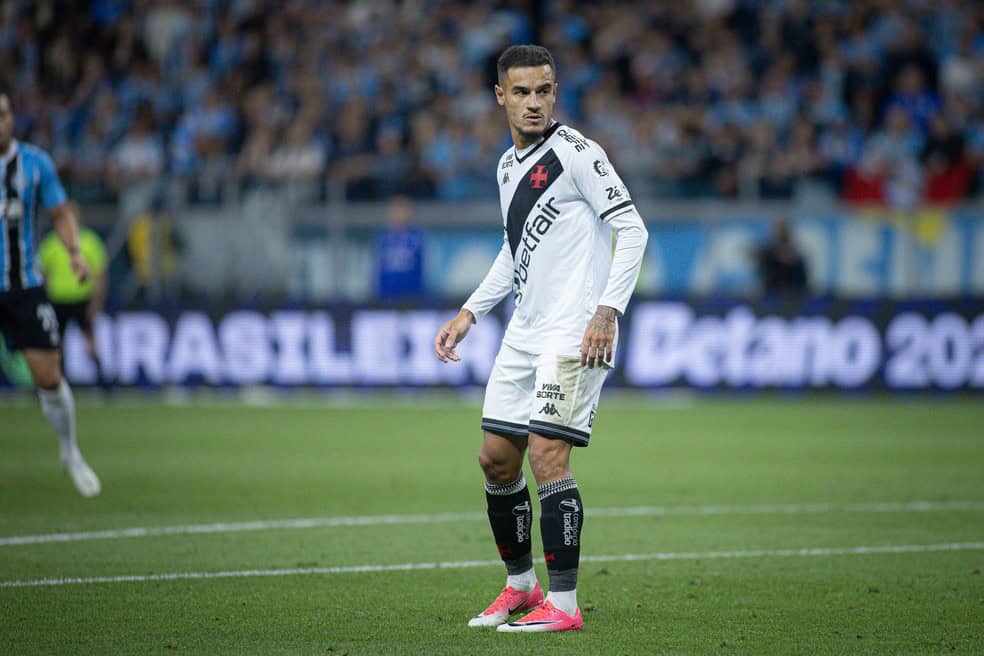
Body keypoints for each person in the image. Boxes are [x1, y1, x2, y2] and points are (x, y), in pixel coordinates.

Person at [433, 45, 648, 633]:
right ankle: (521, 586)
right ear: (500, 95)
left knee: (549, 456)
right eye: (522, 92)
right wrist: (470, 312)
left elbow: (632, 230)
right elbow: (514, 249)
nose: (534, 102)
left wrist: (607, 312)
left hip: (573, 333)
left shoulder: (579, 154)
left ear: (556, 92)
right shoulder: (508, 166)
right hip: (523, 333)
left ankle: (567, 606)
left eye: (544, 91)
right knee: (497, 459)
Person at [0, 90, 101, 497]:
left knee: (50, 376)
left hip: (23, 287)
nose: (0, 122)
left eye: (3, 114)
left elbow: (59, 213)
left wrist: (74, 252)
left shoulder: (35, 164)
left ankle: (69, 452)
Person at [39, 203, 109, 385]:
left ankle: (102, 379)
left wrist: (96, 301)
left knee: (90, 340)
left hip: (81, 298)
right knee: (57, 344)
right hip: (58, 299)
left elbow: (100, 274)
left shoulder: (89, 241)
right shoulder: (51, 243)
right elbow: (43, 275)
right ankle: (61, 380)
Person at [375, 195, 425, 302]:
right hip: (386, 297)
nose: (399, 214)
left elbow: (422, 270)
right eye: (396, 210)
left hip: (412, 297)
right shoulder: (383, 239)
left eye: (402, 210)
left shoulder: (417, 238)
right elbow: (379, 270)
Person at [752, 217, 809, 297]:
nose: (780, 232)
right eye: (778, 229)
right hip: (772, 291)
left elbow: (801, 276)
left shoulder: (795, 251)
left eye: (783, 229)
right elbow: (762, 270)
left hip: (792, 293)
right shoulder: (768, 249)